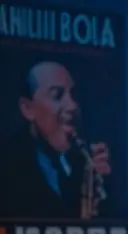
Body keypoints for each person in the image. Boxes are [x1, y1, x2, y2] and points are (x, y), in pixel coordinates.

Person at [0, 59, 115, 220]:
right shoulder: (6, 165)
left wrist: (106, 185)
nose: (72, 105)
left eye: (73, 94)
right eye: (57, 95)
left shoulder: (84, 160)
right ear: (27, 108)